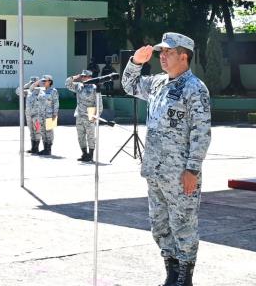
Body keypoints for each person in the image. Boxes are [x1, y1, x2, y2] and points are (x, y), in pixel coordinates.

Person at [122, 32, 211, 286]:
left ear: (184, 56)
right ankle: (171, 274)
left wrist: (192, 168)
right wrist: (136, 62)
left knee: (183, 224)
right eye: (161, 52)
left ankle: (185, 278)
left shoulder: (195, 89)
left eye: (168, 52)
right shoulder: (158, 83)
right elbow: (129, 85)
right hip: (155, 170)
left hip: (180, 173)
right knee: (159, 225)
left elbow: (201, 132)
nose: (162, 56)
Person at [65, 70, 103, 162]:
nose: (83, 78)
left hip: (90, 114)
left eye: (85, 76)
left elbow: (99, 103)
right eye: (82, 76)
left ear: (90, 77)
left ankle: (90, 155)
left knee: (90, 136)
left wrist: (96, 115)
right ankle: (84, 154)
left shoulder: (94, 87)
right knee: (80, 136)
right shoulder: (78, 86)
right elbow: (67, 84)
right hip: (79, 114)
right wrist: (74, 77)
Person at [32, 74, 59, 156]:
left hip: (50, 115)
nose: (43, 82)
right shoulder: (40, 90)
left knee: (49, 132)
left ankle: (49, 149)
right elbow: (31, 89)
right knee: (42, 131)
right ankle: (45, 148)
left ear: (50, 81)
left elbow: (56, 103)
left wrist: (55, 114)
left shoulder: (54, 91)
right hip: (41, 115)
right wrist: (37, 82)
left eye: (45, 81)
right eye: (42, 81)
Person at [16, 76, 41, 153]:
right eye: (31, 82)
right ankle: (33, 148)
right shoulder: (28, 91)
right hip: (29, 114)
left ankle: (36, 148)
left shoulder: (41, 91)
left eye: (34, 82)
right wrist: (27, 85)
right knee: (31, 131)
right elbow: (18, 91)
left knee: (37, 131)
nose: (33, 84)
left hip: (37, 115)